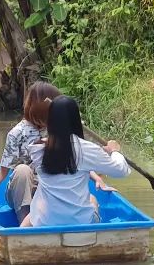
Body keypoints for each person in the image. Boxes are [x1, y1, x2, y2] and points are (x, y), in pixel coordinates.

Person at [24, 96, 131, 228]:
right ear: (76, 120)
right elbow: (121, 170)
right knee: (92, 199)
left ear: (50, 121)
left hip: (44, 223)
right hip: (79, 223)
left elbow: (66, 157)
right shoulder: (87, 149)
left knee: (32, 215)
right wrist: (114, 151)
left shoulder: (37, 149)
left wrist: (100, 155)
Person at [0, 81, 60, 222]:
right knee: (23, 170)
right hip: (22, 190)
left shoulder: (56, 129)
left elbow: (75, 157)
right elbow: (3, 171)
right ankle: (25, 222)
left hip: (47, 188)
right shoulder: (17, 133)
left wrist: (94, 176)